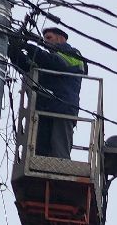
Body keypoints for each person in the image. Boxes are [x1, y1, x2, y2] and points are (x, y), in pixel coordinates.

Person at [9, 24, 88, 159]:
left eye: (49, 38)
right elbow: (28, 66)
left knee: (59, 153)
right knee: (39, 153)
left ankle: (61, 175)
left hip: (63, 110)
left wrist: (27, 46)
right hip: (44, 110)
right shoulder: (45, 60)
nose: (45, 41)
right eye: (45, 38)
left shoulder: (73, 55)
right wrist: (12, 49)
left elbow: (54, 62)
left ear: (61, 39)